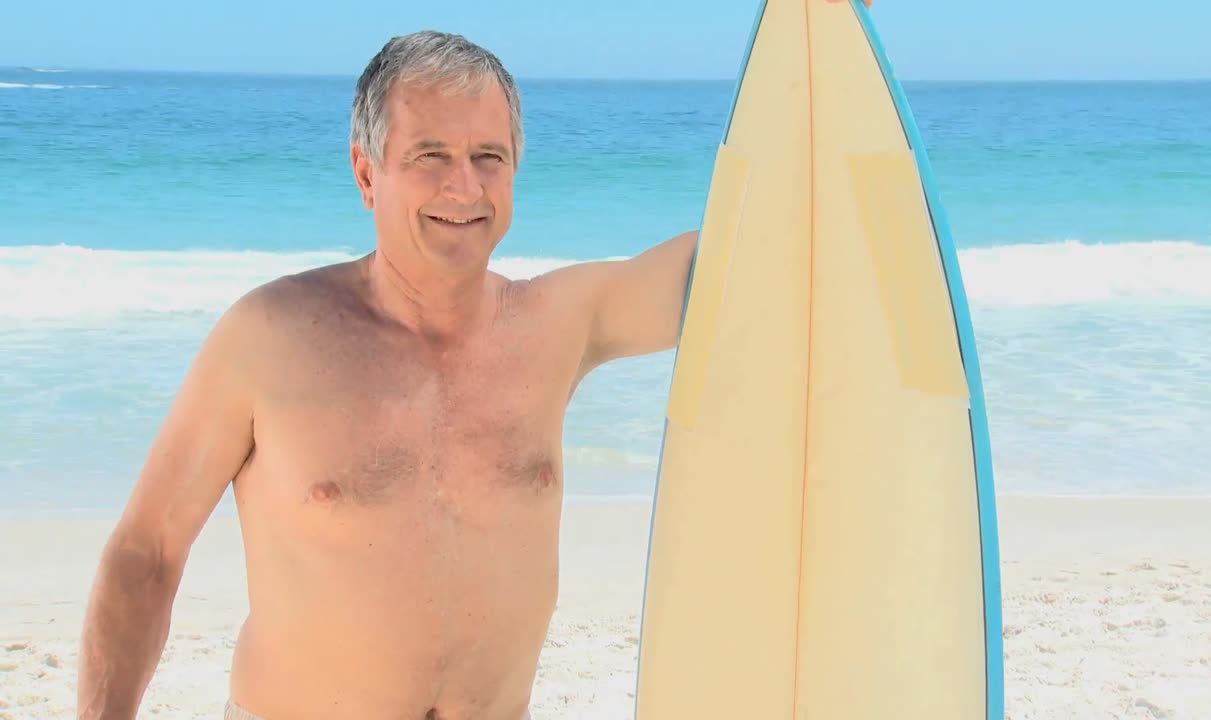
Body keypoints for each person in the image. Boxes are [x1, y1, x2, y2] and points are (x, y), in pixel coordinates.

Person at [77, 4, 873, 717]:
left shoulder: (559, 323)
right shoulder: (269, 338)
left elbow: (741, 258)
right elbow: (147, 554)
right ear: (367, 173)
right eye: (430, 155)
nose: (465, 187)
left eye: (489, 156)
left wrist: (830, 57)